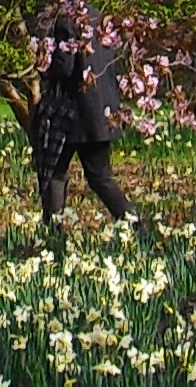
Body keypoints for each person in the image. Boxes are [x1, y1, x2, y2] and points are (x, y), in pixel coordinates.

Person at [31, 16, 134, 228]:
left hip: (74, 115)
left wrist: (43, 66)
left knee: (55, 173)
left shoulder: (66, 21)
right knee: (100, 177)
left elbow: (66, 67)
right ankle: (136, 224)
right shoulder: (100, 16)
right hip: (102, 112)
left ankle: (53, 231)